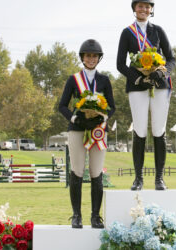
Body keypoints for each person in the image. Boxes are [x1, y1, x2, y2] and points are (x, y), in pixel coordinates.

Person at [117, 0, 176, 191]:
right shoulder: (127, 33)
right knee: (140, 130)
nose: (143, 9)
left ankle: (159, 178)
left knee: (159, 130)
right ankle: (138, 179)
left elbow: (171, 58)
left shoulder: (158, 30)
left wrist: (162, 72)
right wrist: (138, 78)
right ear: (134, 9)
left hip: (159, 86)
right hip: (137, 86)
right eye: (140, 6)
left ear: (151, 10)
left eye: (147, 6)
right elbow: (120, 64)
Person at [59, 39, 115, 229]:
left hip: (98, 131)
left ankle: (95, 216)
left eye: (94, 56)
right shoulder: (73, 80)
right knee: (77, 171)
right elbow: (62, 105)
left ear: (99, 58)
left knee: (96, 172)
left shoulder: (105, 80)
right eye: (88, 55)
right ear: (82, 57)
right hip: (77, 130)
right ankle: (76, 216)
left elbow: (112, 107)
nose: (91, 59)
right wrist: (76, 119)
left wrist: (101, 119)